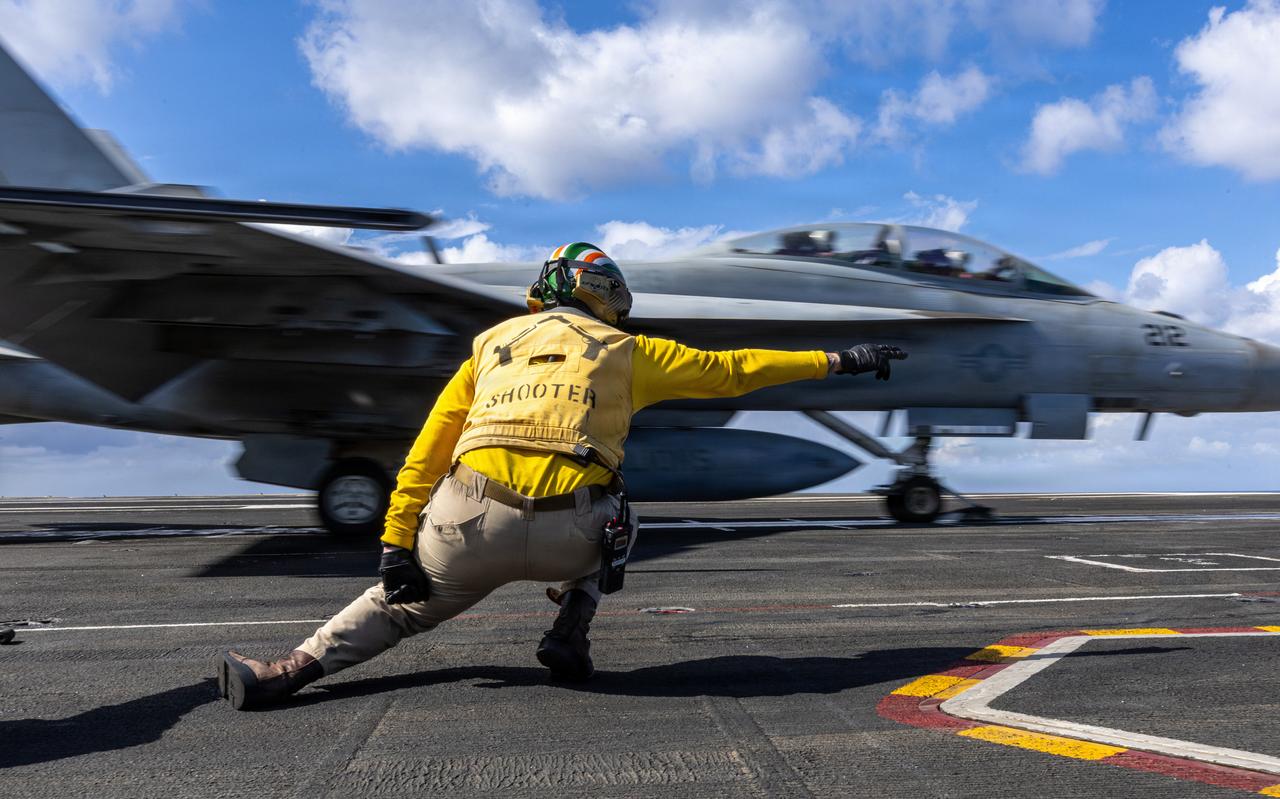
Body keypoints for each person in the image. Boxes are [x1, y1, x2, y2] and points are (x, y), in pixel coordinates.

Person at [216, 242, 908, 710]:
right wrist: (839, 359)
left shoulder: (489, 347)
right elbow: (734, 369)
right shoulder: (628, 348)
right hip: (571, 531)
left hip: (466, 526)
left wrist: (397, 544)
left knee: (395, 607)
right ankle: (573, 622)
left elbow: (428, 446)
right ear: (601, 294)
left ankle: (284, 672)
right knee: (626, 511)